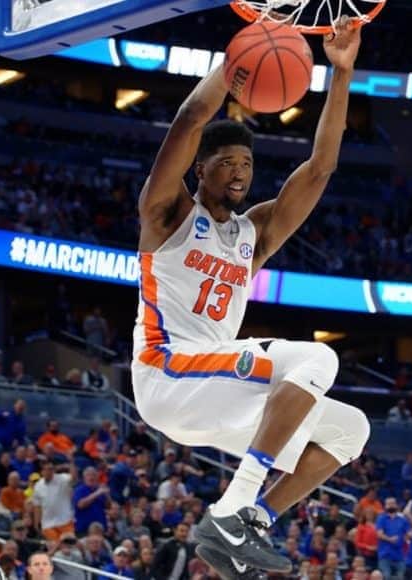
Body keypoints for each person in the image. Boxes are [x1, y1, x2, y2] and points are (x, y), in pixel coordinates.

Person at [131, 15, 367, 578]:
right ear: (200, 169)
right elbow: (190, 118)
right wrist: (233, 62)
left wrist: (341, 74)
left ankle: (251, 520)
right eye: (227, 163)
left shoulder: (251, 236)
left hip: (213, 393)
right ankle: (233, 508)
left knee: (350, 429)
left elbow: (320, 169)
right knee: (317, 357)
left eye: (247, 164)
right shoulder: (167, 216)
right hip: (165, 370)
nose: (239, 173)